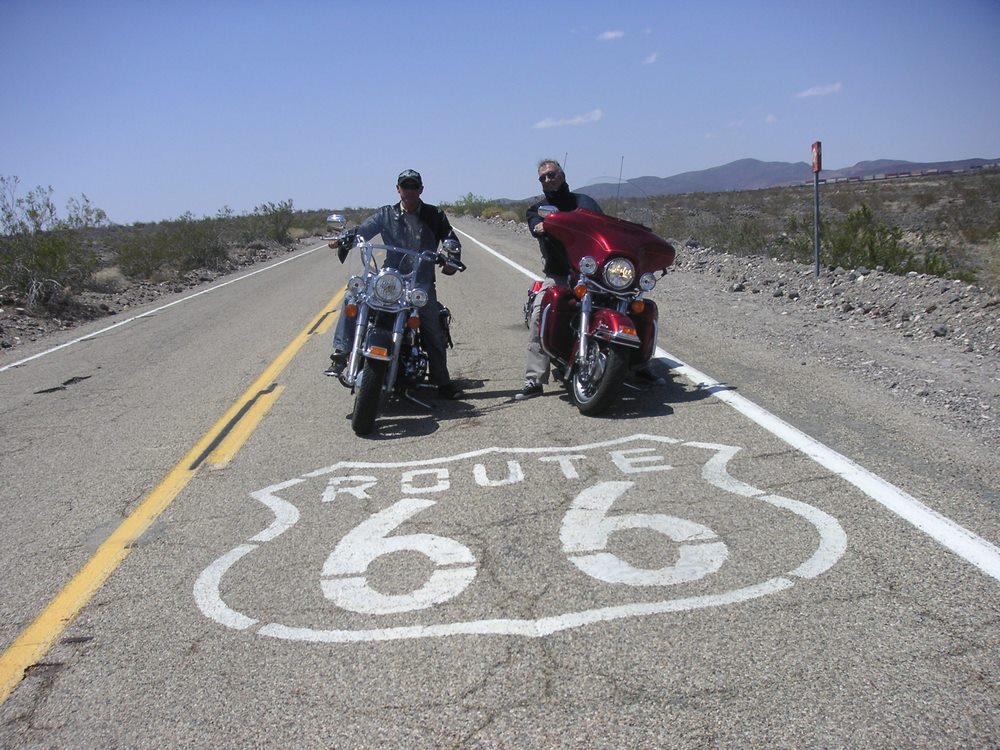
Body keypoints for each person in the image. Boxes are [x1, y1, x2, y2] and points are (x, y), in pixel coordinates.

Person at [515, 159, 664, 401]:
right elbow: (537, 228)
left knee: (638, 306)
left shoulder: (585, 203)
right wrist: (547, 224)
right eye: (542, 177)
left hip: (595, 271)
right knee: (540, 310)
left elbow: (607, 230)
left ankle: (641, 364)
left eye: (551, 174)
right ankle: (533, 379)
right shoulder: (537, 209)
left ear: (562, 175)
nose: (547, 180)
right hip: (561, 273)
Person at [326, 169, 464, 400]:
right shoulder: (386, 214)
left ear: (421, 189)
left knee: (431, 327)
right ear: (398, 189)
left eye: (413, 186)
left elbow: (451, 239)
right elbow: (363, 231)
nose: (409, 190)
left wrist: (451, 259)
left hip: (419, 282)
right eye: (405, 186)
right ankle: (341, 354)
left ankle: (442, 382)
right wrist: (345, 239)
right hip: (390, 280)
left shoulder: (434, 214)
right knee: (352, 298)